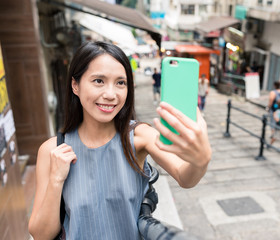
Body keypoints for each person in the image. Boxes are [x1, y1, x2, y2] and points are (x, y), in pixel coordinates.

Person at [28, 41, 212, 240]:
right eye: (99, 81)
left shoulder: (138, 136)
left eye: (120, 83)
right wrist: (56, 179)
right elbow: (40, 234)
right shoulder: (52, 150)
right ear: (75, 85)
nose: (110, 94)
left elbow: (185, 177)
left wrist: (201, 159)